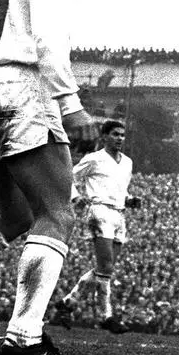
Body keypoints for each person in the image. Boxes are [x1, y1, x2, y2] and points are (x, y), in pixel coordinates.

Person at [0, 0, 98, 355]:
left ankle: (25, 321)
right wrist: (71, 103)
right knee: (56, 211)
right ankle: (23, 337)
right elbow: (48, 42)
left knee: (15, 218)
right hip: (22, 86)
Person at [56, 119, 138, 333]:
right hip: (99, 211)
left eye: (122, 135)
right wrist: (75, 197)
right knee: (106, 267)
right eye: (115, 134)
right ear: (104, 137)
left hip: (119, 214)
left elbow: (120, 190)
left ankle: (67, 304)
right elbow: (69, 177)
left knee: (105, 268)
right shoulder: (94, 159)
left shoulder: (127, 162)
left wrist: (129, 199)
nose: (119, 138)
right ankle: (106, 316)